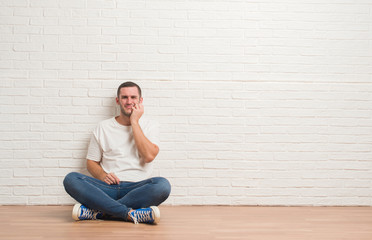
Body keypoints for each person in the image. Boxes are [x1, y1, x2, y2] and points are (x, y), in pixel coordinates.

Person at [63, 81, 171, 224]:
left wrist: (134, 122)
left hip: (137, 188)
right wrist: (102, 175)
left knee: (162, 185)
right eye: (124, 97)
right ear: (118, 100)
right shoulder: (103, 127)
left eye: (133, 97)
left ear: (140, 100)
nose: (129, 101)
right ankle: (129, 214)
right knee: (71, 179)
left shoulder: (150, 125)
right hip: (107, 188)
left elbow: (149, 156)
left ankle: (100, 212)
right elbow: (91, 162)